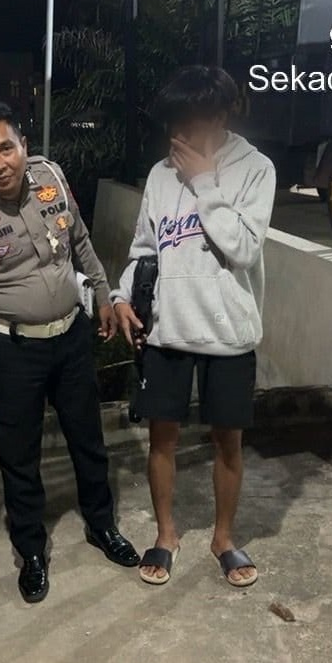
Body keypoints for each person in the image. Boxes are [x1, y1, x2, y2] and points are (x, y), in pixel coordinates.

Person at [0, 101, 140, 604]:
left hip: (71, 339)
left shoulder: (51, 175)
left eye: (6, 148)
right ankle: (31, 551)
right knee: (18, 457)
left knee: (88, 440)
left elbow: (80, 238)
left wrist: (104, 293)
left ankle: (101, 525)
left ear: (23, 146)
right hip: (14, 350)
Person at [111, 66, 276, 587]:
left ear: (221, 116)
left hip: (229, 333)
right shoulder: (161, 175)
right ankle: (166, 535)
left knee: (228, 441)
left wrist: (205, 180)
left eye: (190, 122)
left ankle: (224, 538)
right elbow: (145, 248)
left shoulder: (256, 169)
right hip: (168, 328)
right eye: (173, 123)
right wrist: (121, 295)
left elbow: (243, 249)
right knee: (162, 440)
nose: (178, 134)